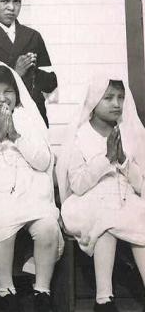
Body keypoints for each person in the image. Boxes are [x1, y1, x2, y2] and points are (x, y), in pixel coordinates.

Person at [0, 62, 62, 312]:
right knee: (3, 218)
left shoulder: (27, 117)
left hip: (29, 187)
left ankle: (42, 291)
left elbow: (43, 162)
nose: (2, 98)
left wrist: (16, 136)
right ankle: (6, 291)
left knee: (48, 226)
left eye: (8, 91)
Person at [56, 76, 145, 311]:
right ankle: (104, 298)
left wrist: (124, 160)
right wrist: (106, 159)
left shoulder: (130, 133)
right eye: (108, 98)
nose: (116, 103)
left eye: (120, 98)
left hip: (124, 197)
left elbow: (140, 185)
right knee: (104, 222)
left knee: (141, 221)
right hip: (88, 200)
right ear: (94, 101)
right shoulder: (79, 135)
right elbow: (77, 185)